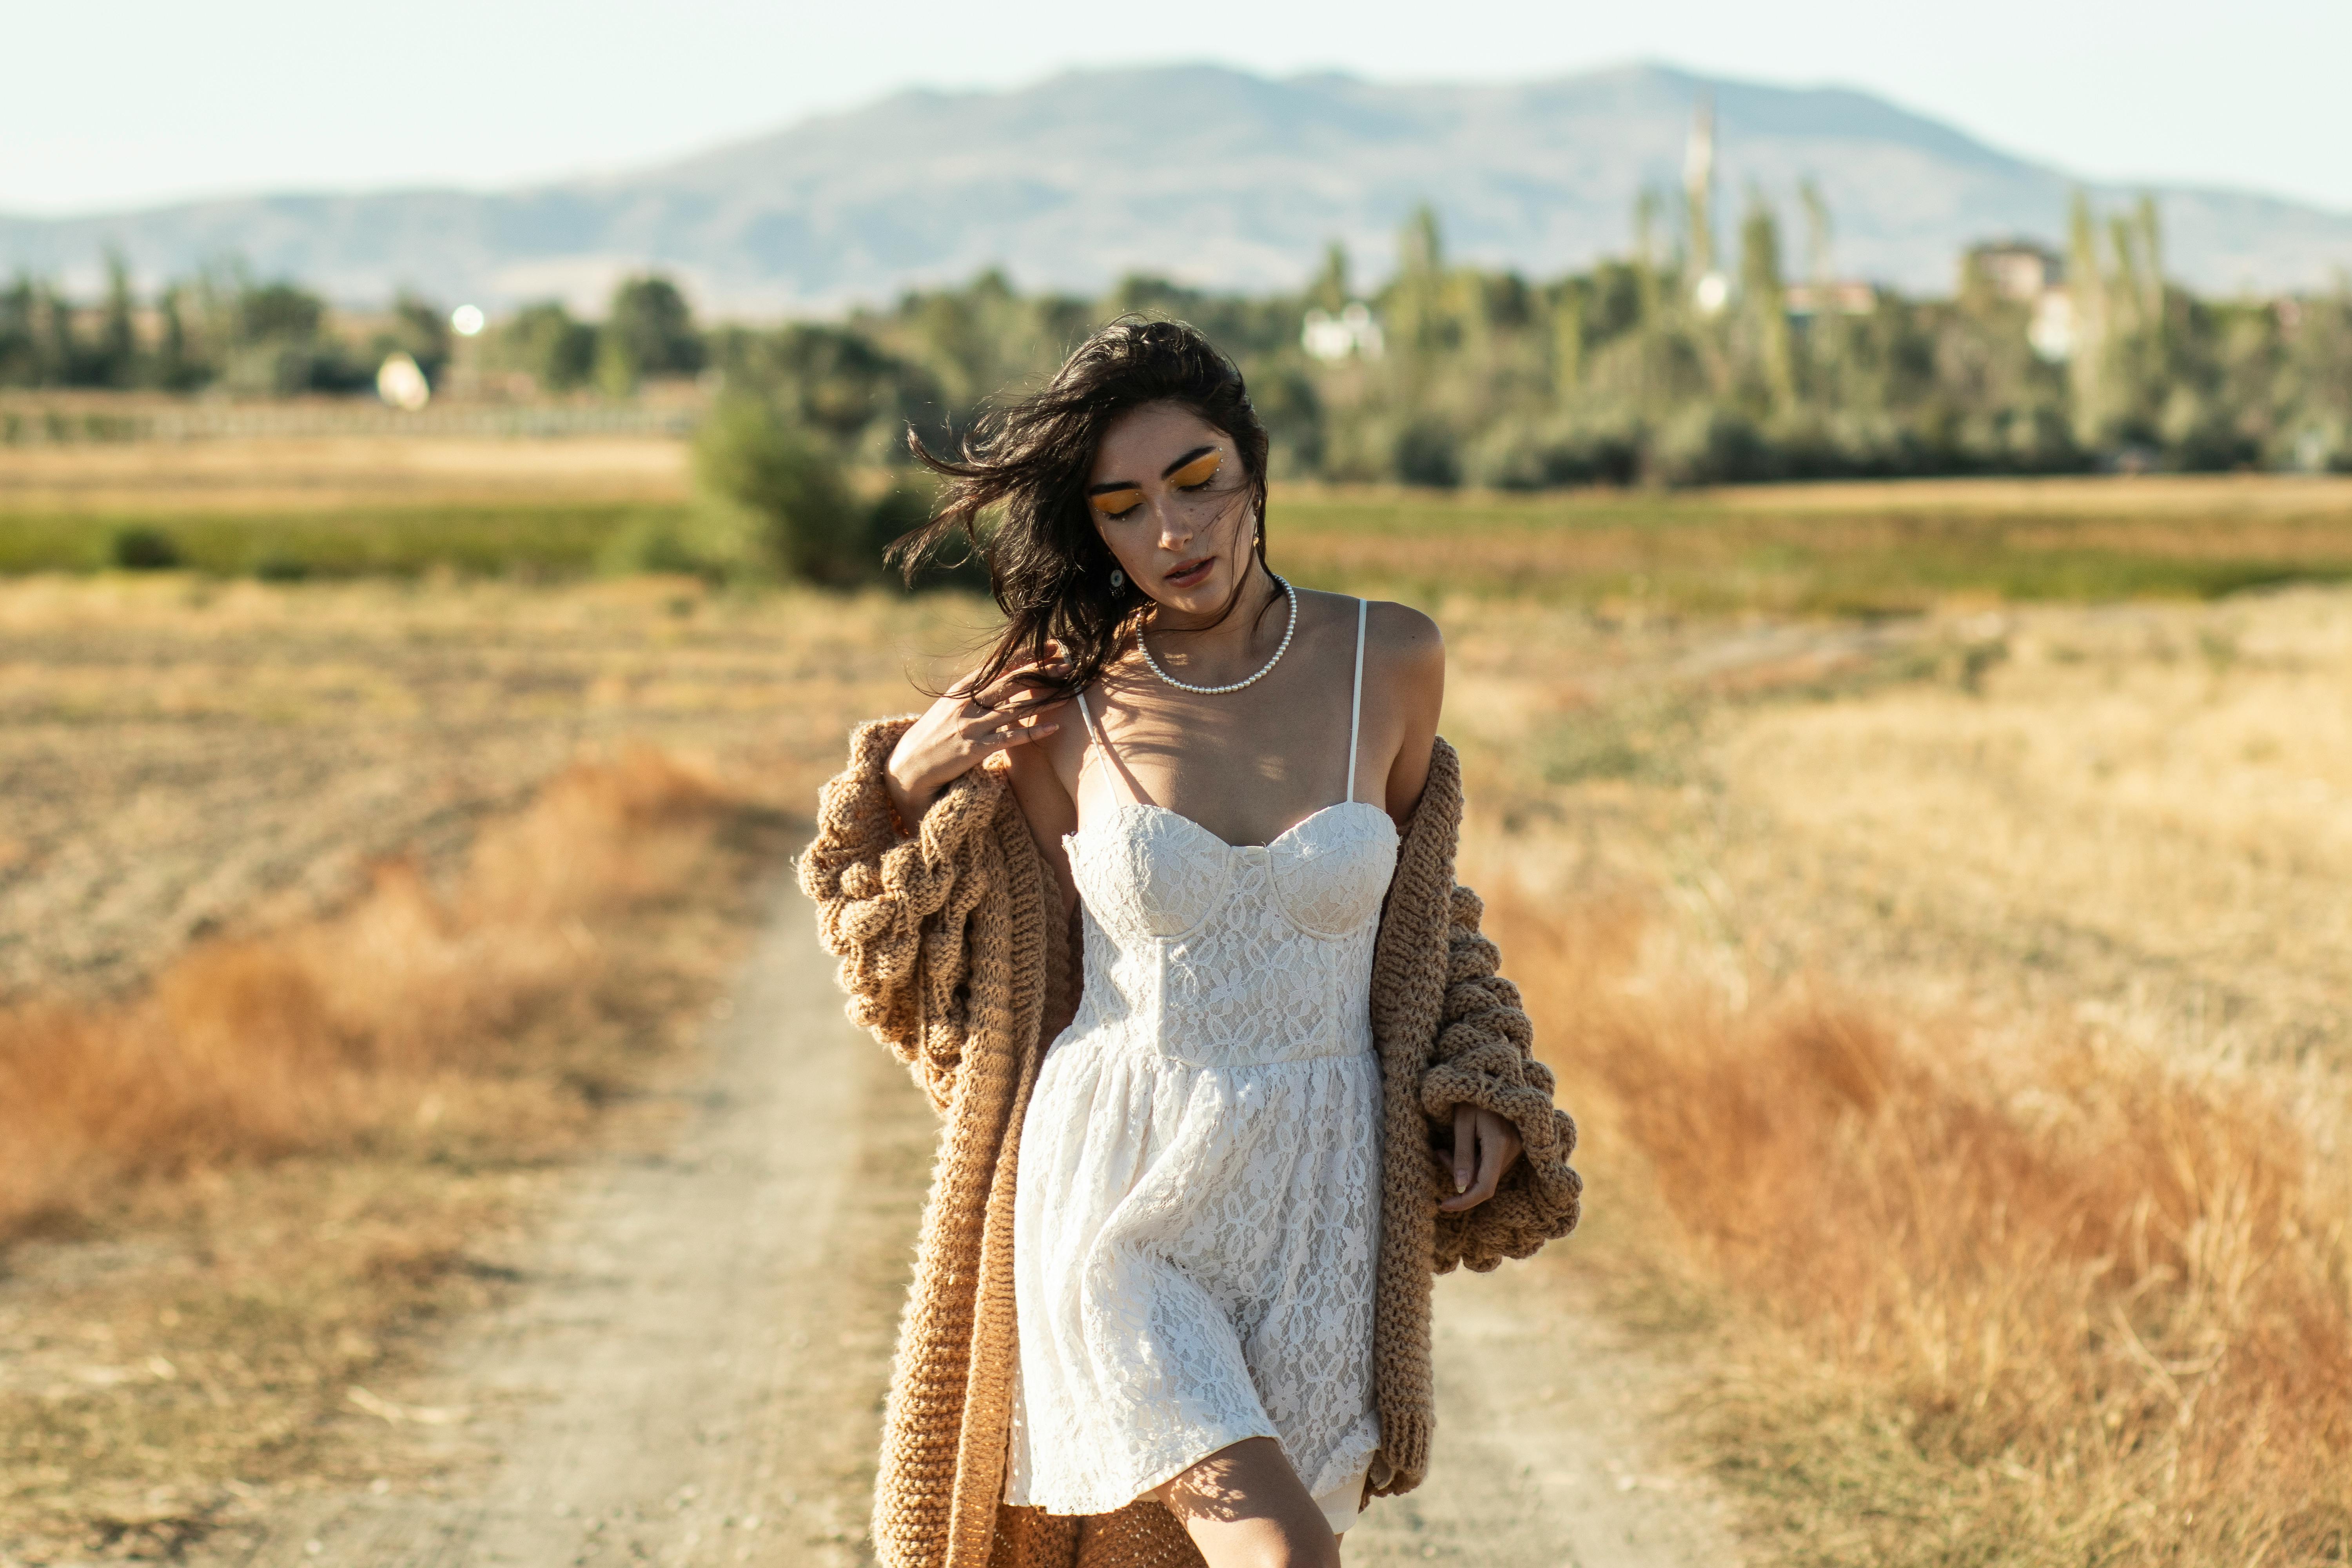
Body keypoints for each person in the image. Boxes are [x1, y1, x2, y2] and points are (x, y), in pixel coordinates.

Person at [799, 319, 1581, 1568]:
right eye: (1124, 507)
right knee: (1283, 1554)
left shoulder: (1393, 657)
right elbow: (889, 932)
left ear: (1255, 469)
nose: (1171, 531)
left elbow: (1422, 914)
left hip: (1318, 1195)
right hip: (1118, 1189)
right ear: (1094, 531)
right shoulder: (1067, 711)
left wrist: (1475, 1073)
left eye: (1197, 479)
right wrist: (902, 774)